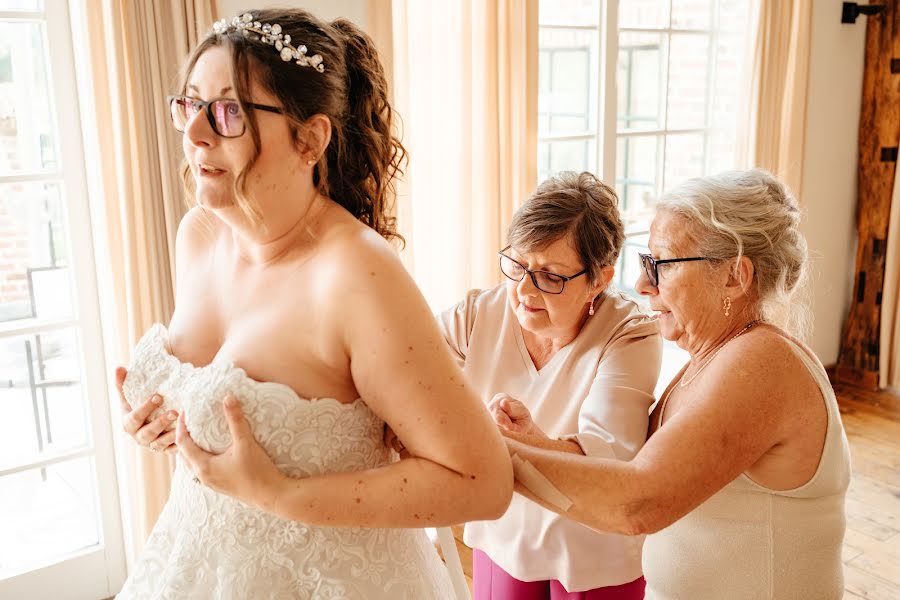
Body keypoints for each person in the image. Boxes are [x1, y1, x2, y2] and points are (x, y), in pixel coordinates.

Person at [115, 9, 512, 599]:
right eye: (189, 104)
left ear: (310, 138)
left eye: (228, 112)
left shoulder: (357, 275)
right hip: (199, 564)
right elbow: (222, 403)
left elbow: (481, 480)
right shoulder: (198, 234)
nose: (195, 132)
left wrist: (279, 495)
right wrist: (171, 423)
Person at [498, 169, 851, 600]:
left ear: (734, 277)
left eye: (660, 264)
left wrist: (490, 452)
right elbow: (625, 478)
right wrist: (531, 441)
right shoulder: (707, 363)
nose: (643, 285)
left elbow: (638, 504)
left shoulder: (763, 364)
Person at [438, 171, 661, 599]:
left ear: (599, 279)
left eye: (550, 276)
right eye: (518, 265)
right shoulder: (479, 314)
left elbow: (610, 458)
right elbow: (412, 371)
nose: (524, 289)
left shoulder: (630, 335)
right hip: (505, 530)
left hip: (593, 545)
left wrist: (531, 439)